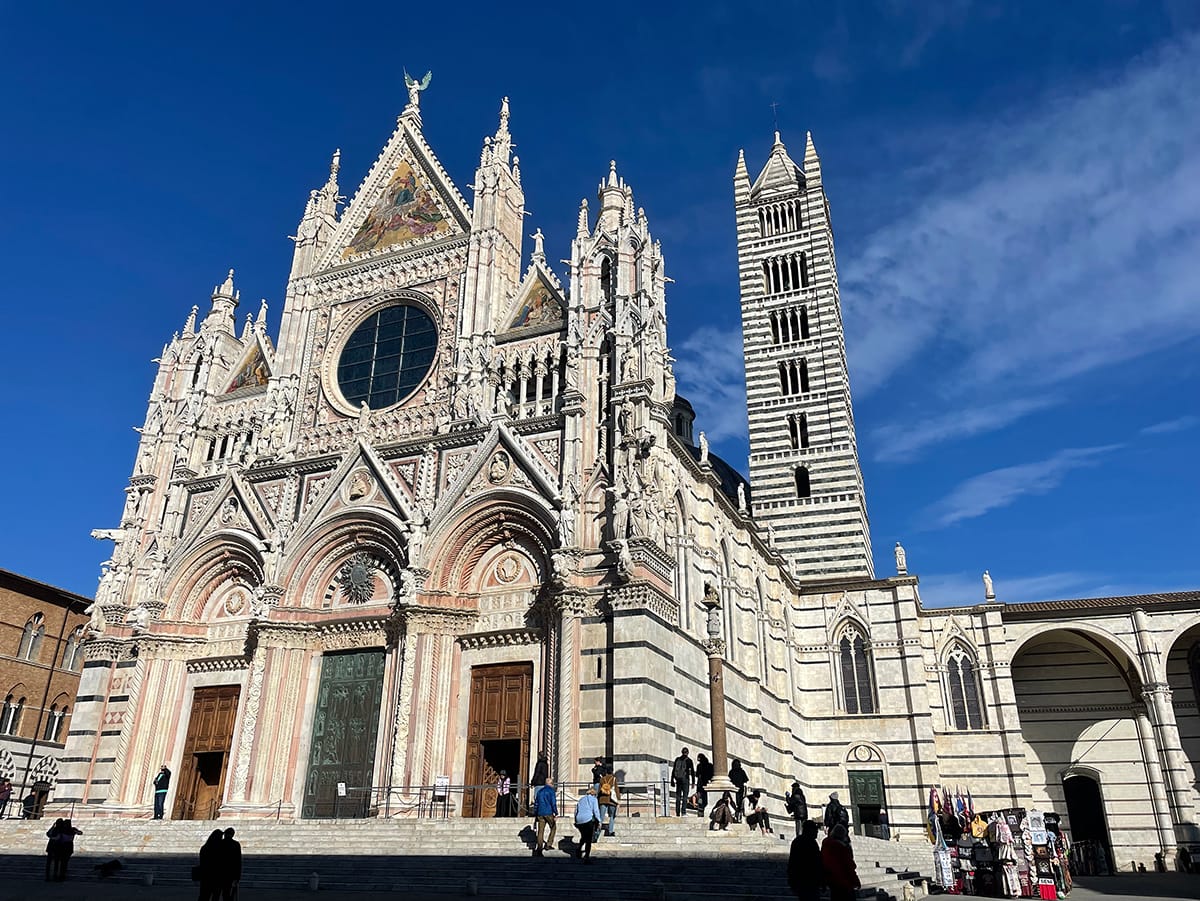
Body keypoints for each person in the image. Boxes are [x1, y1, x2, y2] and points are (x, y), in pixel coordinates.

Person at [788, 820, 825, 901]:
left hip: (802, 880)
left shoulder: (797, 841)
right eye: (815, 830)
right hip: (809, 880)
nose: (817, 832)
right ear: (810, 830)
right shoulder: (811, 843)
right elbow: (817, 862)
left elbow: (792, 862)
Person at [821, 823, 860, 901]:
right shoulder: (842, 848)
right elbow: (849, 866)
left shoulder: (826, 845)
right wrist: (856, 881)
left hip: (832, 882)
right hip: (844, 883)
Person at [573, 787, 601, 862]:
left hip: (579, 820)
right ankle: (586, 857)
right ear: (594, 794)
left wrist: (575, 820)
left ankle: (579, 849)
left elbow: (576, 811)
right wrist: (599, 821)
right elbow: (596, 811)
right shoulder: (594, 799)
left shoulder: (581, 799)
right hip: (588, 819)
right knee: (588, 839)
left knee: (584, 836)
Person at [532, 777, 558, 857]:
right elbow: (553, 802)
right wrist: (556, 812)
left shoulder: (540, 792)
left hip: (540, 813)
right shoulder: (551, 791)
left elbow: (536, 803)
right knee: (553, 827)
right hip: (548, 812)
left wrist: (535, 813)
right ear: (550, 784)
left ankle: (539, 849)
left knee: (540, 831)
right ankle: (548, 844)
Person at [197, 829, 224, 901]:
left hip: (206, 875)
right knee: (215, 896)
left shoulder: (205, 847)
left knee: (204, 896)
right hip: (217, 876)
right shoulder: (220, 848)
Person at [218, 827, 241, 901]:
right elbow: (238, 861)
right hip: (230, 873)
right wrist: (237, 877)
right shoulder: (236, 844)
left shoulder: (219, 843)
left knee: (216, 893)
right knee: (226, 893)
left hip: (219, 871)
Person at [671, 747, 694, 817]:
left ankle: (677, 812)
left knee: (678, 796)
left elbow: (674, 770)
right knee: (685, 796)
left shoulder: (677, 759)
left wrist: (672, 780)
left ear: (682, 752)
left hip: (678, 780)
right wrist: (693, 782)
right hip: (685, 780)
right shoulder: (689, 760)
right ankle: (683, 812)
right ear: (687, 753)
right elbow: (692, 771)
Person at [597, 768, 619, 837]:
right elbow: (616, 789)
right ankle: (610, 831)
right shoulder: (613, 779)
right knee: (612, 816)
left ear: (606, 772)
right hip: (611, 800)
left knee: (601, 817)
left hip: (602, 799)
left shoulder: (602, 779)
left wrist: (598, 799)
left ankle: (598, 830)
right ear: (612, 772)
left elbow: (599, 790)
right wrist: (618, 799)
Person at [530, 750, 549, 816]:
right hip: (544, 783)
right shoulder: (546, 764)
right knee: (543, 798)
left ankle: (537, 812)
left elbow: (537, 773)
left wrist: (532, 782)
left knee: (537, 798)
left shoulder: (539, 763)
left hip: (538, 783)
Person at [695, 752, 714, 818]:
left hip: (701, 784)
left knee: (700, 799)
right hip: (708, 784)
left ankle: (701, 812)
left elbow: (697, 775)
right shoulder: (710, 765)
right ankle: (705, 810)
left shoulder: (699, 766)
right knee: (706, 799)